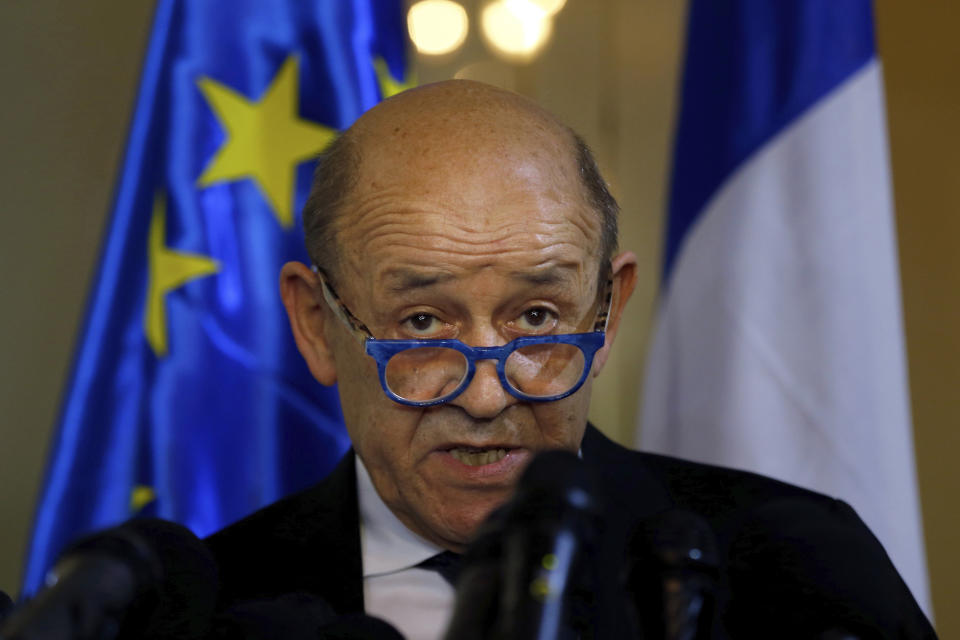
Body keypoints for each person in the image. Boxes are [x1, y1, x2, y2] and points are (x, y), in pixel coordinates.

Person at [204, 80, 936, 639]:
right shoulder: (207, 607)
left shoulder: (794, 570)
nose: (487, 397)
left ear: (608, 311)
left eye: (537, 317)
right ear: (315, 323)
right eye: (423, 322)